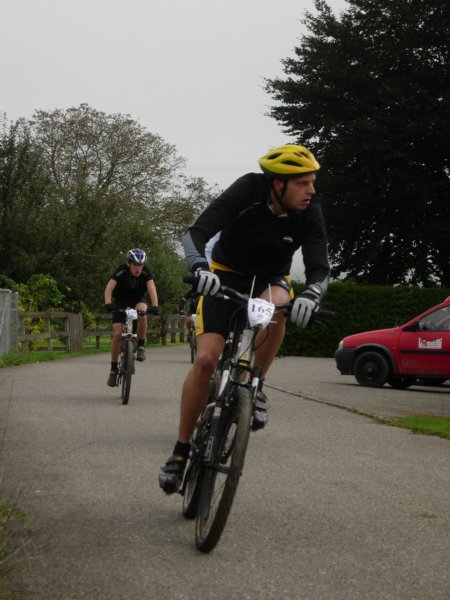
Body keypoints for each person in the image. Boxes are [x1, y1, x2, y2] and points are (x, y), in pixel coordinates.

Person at [159, 144, 330, 493]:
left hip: (271, 279)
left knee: (278, 309)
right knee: (206, 361)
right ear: (278, 184)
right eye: (303, 183)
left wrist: (312, 295)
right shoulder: (249, 189)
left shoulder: (310, 209)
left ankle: (256, 384)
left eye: (312, 182)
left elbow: (319, 266)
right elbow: (195, 232)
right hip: (225, 275)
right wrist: (199, 267)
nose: (311, 190)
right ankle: (180, 452)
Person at [104, 248, 159, 387]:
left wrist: (155, 305)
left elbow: (152, 288)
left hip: (137, 301)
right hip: (120, 303)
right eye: (135, 264)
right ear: (129, 264)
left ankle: (141, 346)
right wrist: (108, 303)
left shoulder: (146, 272)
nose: (138, 268)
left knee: (143, 311)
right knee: (117, 334)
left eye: (140, 265)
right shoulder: (121, 270)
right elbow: (109, 287)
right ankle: (113, 369)